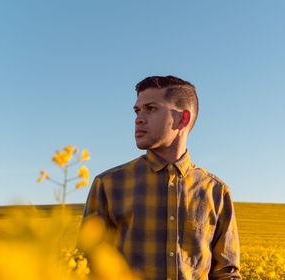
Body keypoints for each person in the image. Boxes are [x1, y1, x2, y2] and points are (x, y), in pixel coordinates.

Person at [82, 75, 241, 280]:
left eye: (151, 108)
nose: (139, 118)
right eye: (137, 110)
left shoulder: (216, 191)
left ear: (183, 119)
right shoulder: (109, 184)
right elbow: (90, 267)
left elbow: (226, 273)